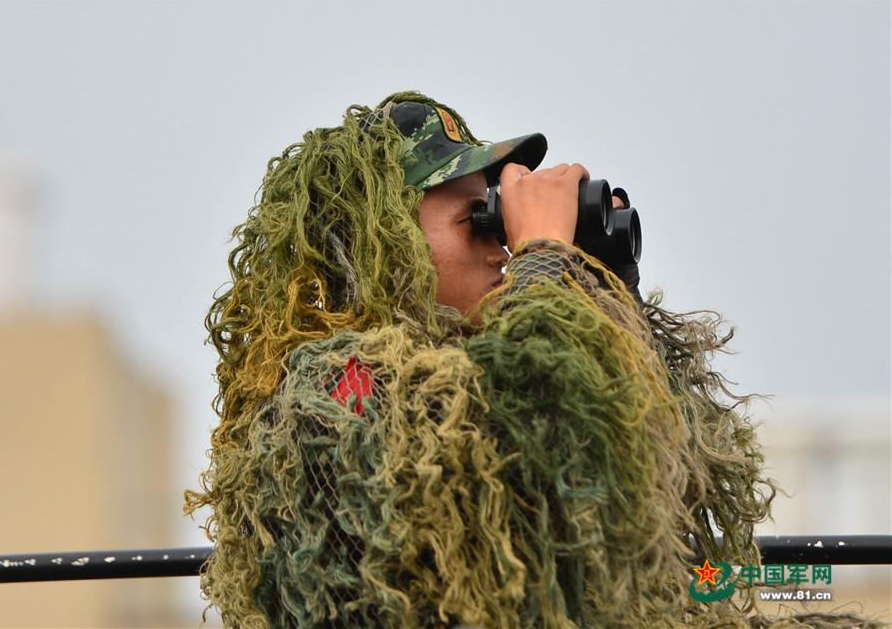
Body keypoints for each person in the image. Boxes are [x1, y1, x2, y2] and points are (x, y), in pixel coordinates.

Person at [185, 92, 878, 629]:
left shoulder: (476, 360)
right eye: (476, 221)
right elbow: (523, 445)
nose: (503, 246)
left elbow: (656, 491)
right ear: (380, 244)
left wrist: (611, 294)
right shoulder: (331, 386)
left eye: (501, 222)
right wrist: (546, 258)